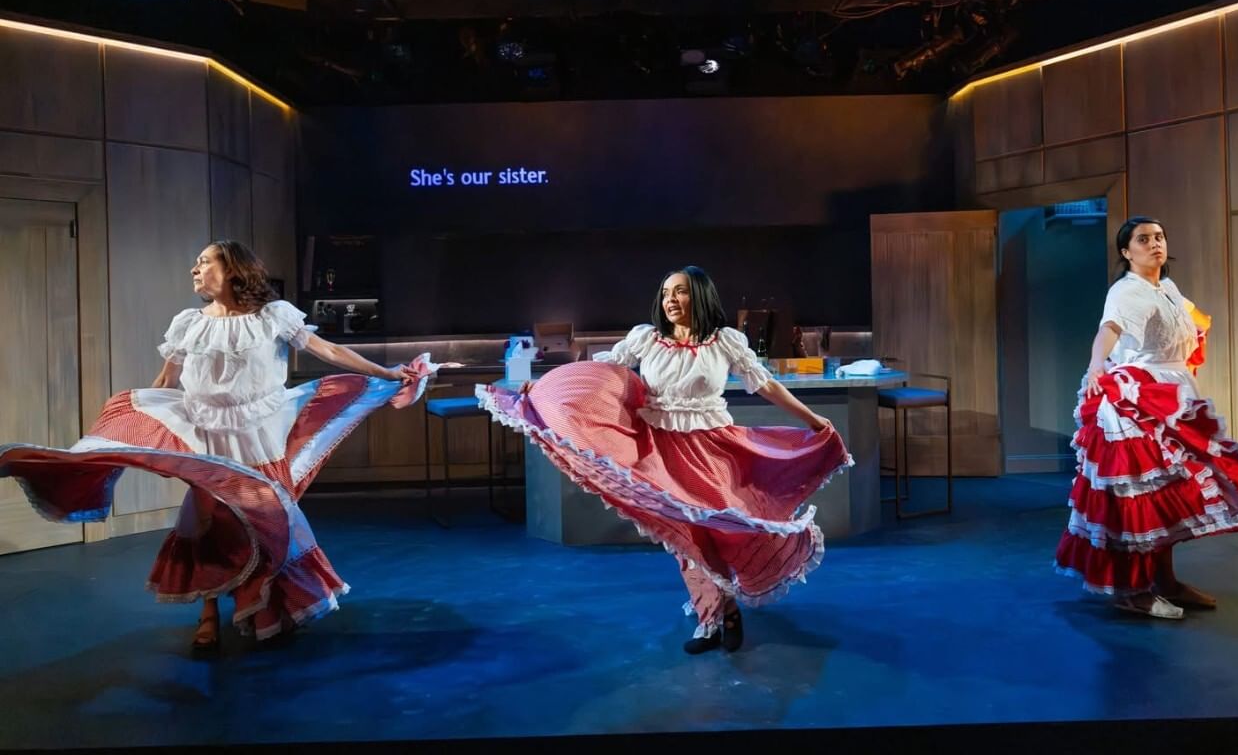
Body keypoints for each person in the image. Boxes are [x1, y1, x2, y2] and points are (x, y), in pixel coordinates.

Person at [1, 241, 452, 649]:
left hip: (262, 430)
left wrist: (388, 374)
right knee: (206, 518)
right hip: (206, 433)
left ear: (233, 269)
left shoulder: (273, 316)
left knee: (267, 518)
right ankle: (208, 612)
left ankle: (270, 604)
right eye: (195, 263)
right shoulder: (187, 324)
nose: (195, 269)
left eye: (204, 262)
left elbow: (329, 352)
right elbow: (168, 381)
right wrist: (144, 421)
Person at [478, 265, 850, 653]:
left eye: (681, 292)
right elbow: (600, 370)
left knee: (722, 529)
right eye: (666, 293)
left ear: (700, 296)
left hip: (710, 449)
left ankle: (727, 609)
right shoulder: (646, 339)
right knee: (688, 536)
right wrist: (544, 385)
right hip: (659, 450)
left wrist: (811, 419)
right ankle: (713, 618)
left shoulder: (725, 341)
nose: (671, 300)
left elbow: (766, 384)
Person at [1054, 217, 1238, 618]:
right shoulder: (1126, 291)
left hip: (1169, 395)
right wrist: (1097, 364)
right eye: (1143, 239)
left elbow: (1191, 322)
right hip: (1134, 404)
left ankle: (1164, 580)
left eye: (1159, 237)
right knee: (1136, 497)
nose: (1155, 244)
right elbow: (1110, 328)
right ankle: (1132, 589)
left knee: (1166, 493)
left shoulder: (1165, 287)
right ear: (1126, 252)